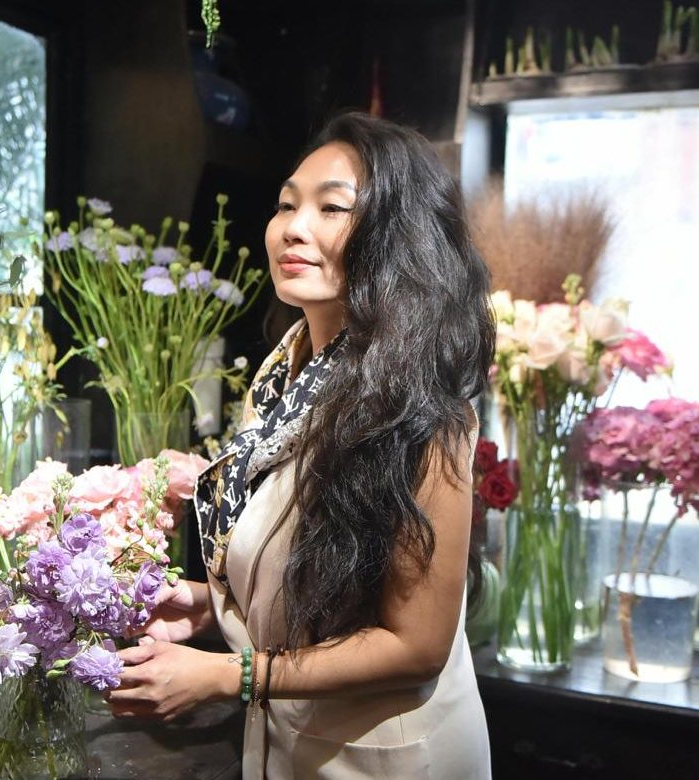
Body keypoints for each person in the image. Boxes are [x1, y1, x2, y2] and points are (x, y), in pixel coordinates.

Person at [108, 112, 495, 779]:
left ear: (395, 235)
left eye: (331, 208)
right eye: (287, 205)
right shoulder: (278, 382)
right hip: (289, 745)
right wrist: (214, 610)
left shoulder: (425, 411)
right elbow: (312, 567)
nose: (293, 227)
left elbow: (416, 646)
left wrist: (232, 674)